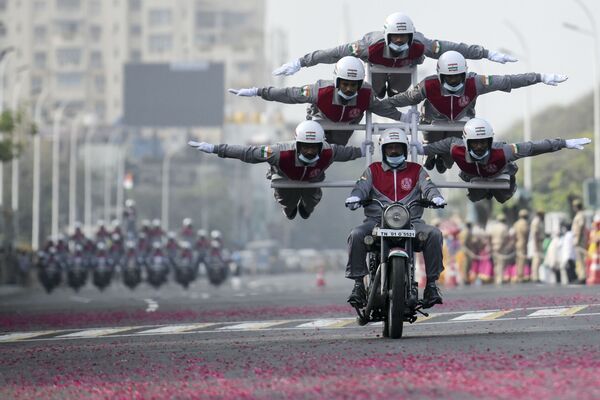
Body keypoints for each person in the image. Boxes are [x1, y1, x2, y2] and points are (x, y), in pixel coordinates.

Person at [384, 51, 569, 172]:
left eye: (458, 78)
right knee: (433, 141)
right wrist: (383, 106)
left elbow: (507, 81)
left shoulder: (476, 83)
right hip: (433, 126)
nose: (455, 82)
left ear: (465, 74)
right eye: (450, 78)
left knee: (449, 158)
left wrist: (540, 77)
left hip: (461, 124)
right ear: (440, 76)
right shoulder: (427, 85)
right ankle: (430, 154)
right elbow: (403, 98)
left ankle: (444, 160)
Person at [274, 12, 517, 98]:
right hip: (377, 73)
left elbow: (454, 48)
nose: (400, 42)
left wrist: (486, 54)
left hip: (404, 74)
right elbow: (333, 53)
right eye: (396, 38)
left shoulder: (420, 44)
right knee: (378, 94)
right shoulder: (368, 46)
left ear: (411, 36)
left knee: (398, 95)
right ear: (387, 36)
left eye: (404, 38)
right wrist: (301, 62)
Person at [344, 127, 447, 308]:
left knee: (435, 234)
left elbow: (428, 186)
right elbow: (361, 186)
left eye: (398, 148)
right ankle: (358, 285)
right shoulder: (372, 170)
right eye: (390, 147)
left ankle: (431, 286)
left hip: (412, 223)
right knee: (357, 234)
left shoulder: (417, 170)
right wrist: (356, 196)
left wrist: (435, 197)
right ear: (383, 149)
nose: (393, 151)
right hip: (376, 223)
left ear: (405, 149)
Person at [189, 120, 368, 220]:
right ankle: (288, 207)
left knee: (310, 204)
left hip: (312, 181)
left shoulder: (330, 151)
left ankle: (307, 207)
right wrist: (216, 149)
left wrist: (363, 150)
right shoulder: (279, 152)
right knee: (289, 206)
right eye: (305, 147)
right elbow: (247, 153)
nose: (310, 151)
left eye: (314, 147)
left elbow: (349, 153)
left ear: (321, 146)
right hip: (285, 181)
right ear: (297, 144)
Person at [229, 56, 412, 145]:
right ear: (336, 82)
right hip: (320, 120)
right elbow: (289, 94)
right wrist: (258, 92)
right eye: (345, 84)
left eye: (353, 85)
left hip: (345, 126)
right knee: (311, 146)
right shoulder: (320, 91)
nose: (349, 89)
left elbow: (381, 108)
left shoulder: (366, 94)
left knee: (332, 154)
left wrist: (403, 118)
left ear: (359, 83)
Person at [411, 118, 591, 203]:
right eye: (475, 144)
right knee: (475, 197)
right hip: (473, 175)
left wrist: (564, 143)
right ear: (466, 142)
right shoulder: (454, 146)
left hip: (499, 173)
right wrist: (415, 147)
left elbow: (533, 147)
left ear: (490, 141)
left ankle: (504, 183)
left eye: (484, 143)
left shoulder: (503, 151)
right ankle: (483, 189)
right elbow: (429, 148)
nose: (480, 148)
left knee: (503, 196)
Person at [488, 213, 511, 285]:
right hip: (502, 246)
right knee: (501, 263)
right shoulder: (505, 227)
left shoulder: (493, 227)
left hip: (494, 246)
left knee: (496, 263)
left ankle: (496, 278)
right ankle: (500, 279)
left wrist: (490, 245)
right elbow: (507, 238)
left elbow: (489, 236)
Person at [571, 198, 588, 282]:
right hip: (578, 238)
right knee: (579, 258)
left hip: (580, 239)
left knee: (581, 258)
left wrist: (577, 238)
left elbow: (580, 227)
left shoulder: (580, 215)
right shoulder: (579, 215)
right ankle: (581, 275)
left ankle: (583, 276)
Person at [512, 209, 530, 283]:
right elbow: (526, 233)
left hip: (517, 243)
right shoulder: (525, 223)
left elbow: (513, 234)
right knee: (522, 260)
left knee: (518, 260)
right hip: (523, 243)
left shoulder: (516, 223)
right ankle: (521, 276)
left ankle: (518, 275)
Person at [528, 210, 545, 282]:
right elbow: (535, 233)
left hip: (539, 242)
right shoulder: (536, 221)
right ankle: (535, 277)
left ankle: (536, 276)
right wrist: (536, 245)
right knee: (536, 261)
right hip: (536, 243)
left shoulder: (539, 221)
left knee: (538, 261)